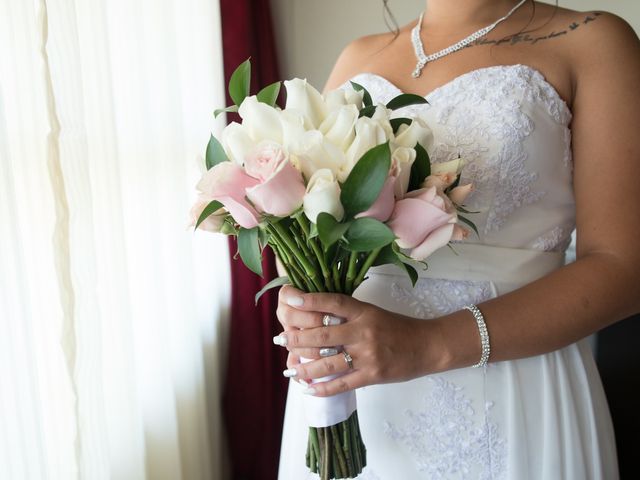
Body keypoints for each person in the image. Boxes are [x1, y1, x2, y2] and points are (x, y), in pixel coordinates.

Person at [275, 1, 640, 478]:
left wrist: (428, 344)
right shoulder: (356, 58)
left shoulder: (591, 40)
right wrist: (298, 298)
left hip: (512, 389)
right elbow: (312, 225)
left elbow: (624, 267)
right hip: (354, 394)